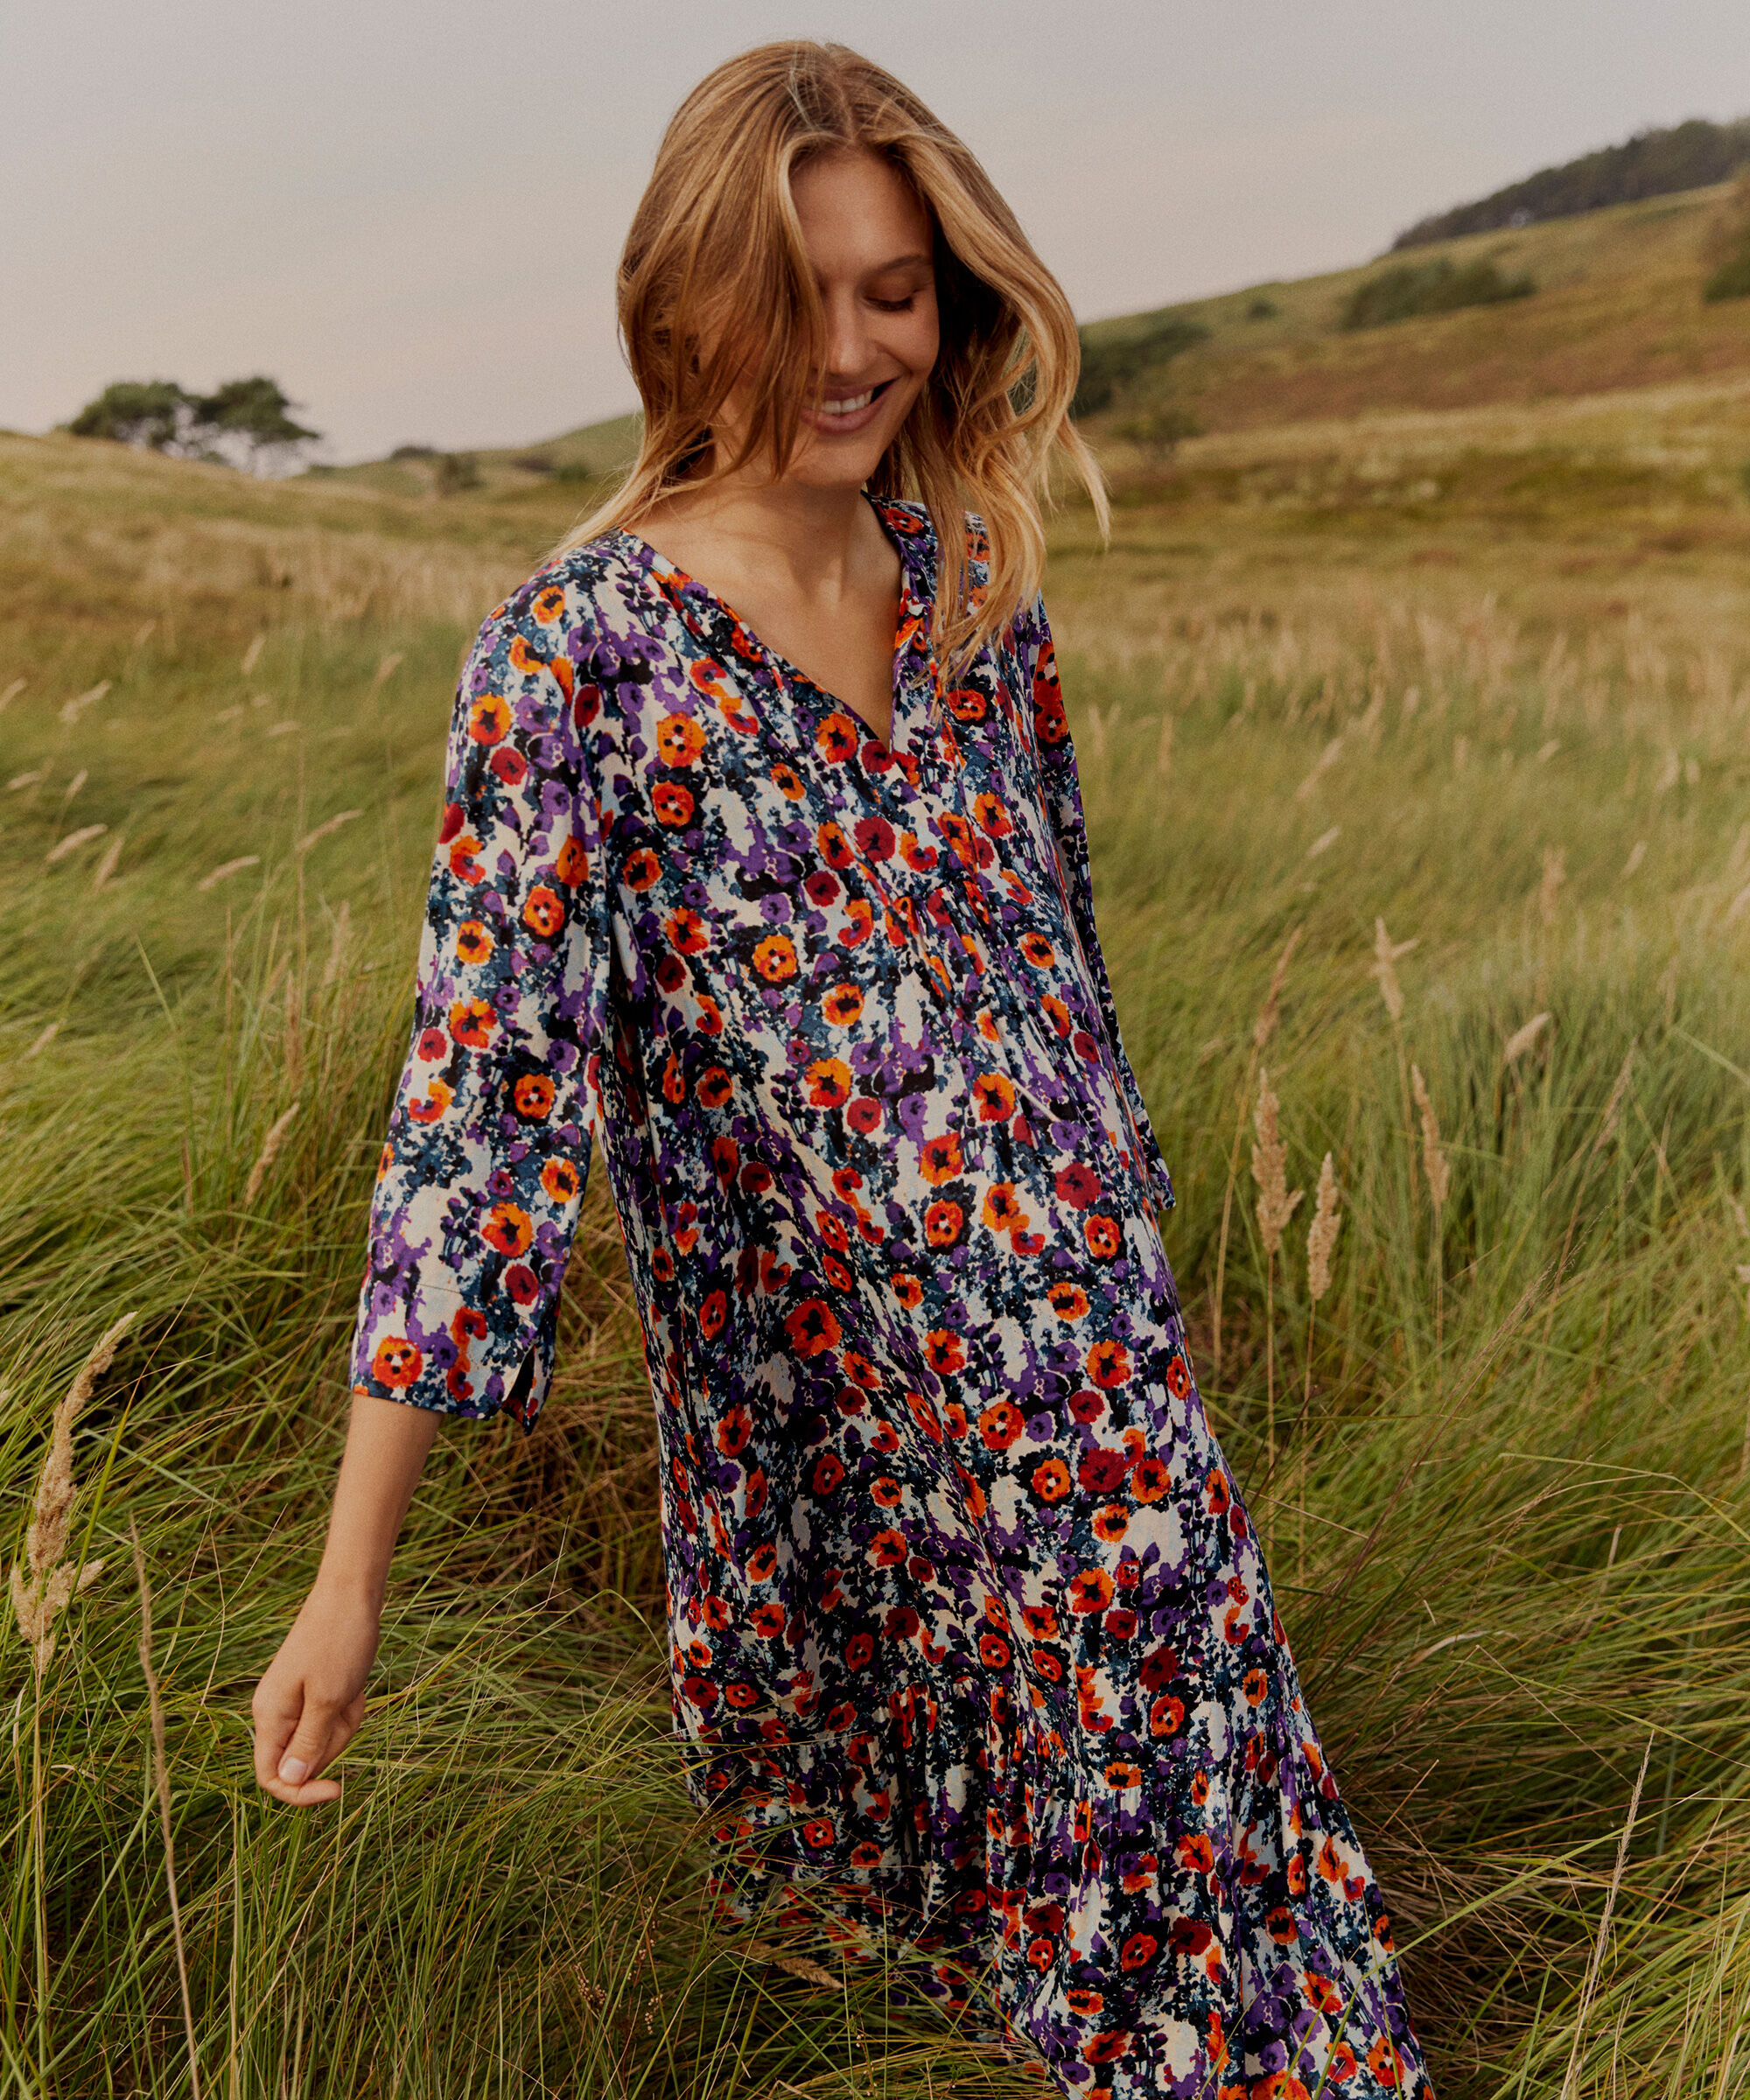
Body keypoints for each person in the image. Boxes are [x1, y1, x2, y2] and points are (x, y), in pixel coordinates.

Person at [251, 39, 1432, 2100]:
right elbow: (476, 1117)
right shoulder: (579, 657)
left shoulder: (977, 590)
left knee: (1190, 1892)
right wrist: (348, 1586)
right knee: (881, 1960)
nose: (850, 344)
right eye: (794, 291)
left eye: (894, 287)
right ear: (680, 299)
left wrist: (1122, 1270)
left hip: (1090, 1391)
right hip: (822, 1433)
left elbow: (1060, 967)